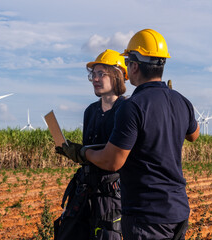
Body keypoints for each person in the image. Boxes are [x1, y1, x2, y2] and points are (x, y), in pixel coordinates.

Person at [59, 29, 200, 239]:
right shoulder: (182, 101)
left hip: (147, 214)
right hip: (178, 210)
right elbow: (193, 135)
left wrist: (82, 153)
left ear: (134, 66)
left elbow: (112, 162)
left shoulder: (133, 106)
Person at [54, 49, 128, 240]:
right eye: (93, 74)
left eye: (101, 74)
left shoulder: (127, 110)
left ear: (118, 75)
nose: (95, 79)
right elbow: (90, 151)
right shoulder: (90, 111)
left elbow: (114, 157)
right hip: (85, 190)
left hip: (111, 195)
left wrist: (82, 152)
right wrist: (74, 152)